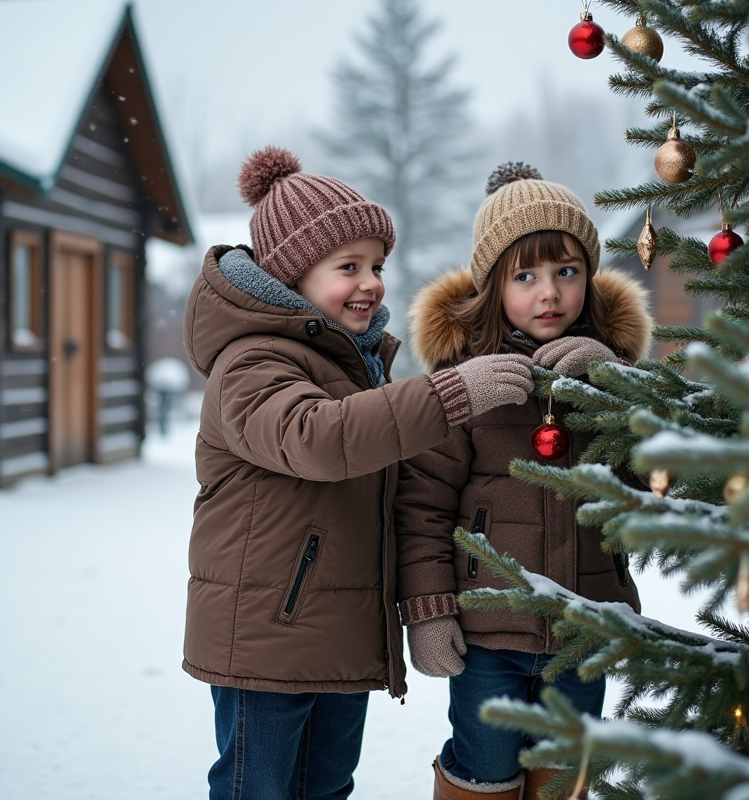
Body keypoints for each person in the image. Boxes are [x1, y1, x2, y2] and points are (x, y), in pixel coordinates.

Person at [182, 147, 536, 800]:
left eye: (376, 264)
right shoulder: (252, 363)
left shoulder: (355, 364)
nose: (371, 282)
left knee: (325, 790)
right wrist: (449, 396)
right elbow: (318, 438)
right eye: (348, 266)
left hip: (335, 637)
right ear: (293, 276)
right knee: (257, 791)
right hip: (266, 643)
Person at [395, 163, 654, 800]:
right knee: (483, 767)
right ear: (492, 287)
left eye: (567, 272)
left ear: (589, 280)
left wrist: (614, 389)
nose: (550, 293)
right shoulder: (466, 385)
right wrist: (428, 611)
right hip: (487, 632)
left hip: (584, 626)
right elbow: (422, 507)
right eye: (526, 276)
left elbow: (655, 482)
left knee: (565, 778)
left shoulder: (613, 377)